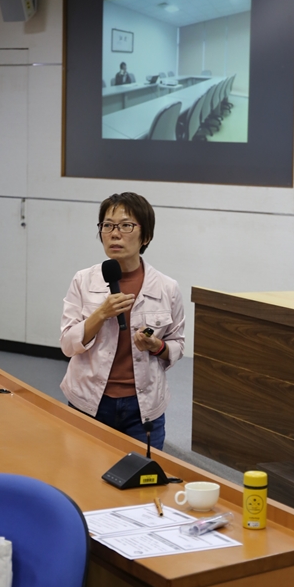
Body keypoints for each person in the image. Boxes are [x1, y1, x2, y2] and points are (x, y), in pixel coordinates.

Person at [60, 192, 185, 450]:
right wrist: (100, 314)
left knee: (143, 474)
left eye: (126, 225)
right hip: (89, 401)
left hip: (143, 408)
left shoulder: (167, 287)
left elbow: (177, 345)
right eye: (108, 225)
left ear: (145, 236)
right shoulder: (83, 280)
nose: (114, 234)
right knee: (83, 472)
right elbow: (67, 345)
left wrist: (157, 346)